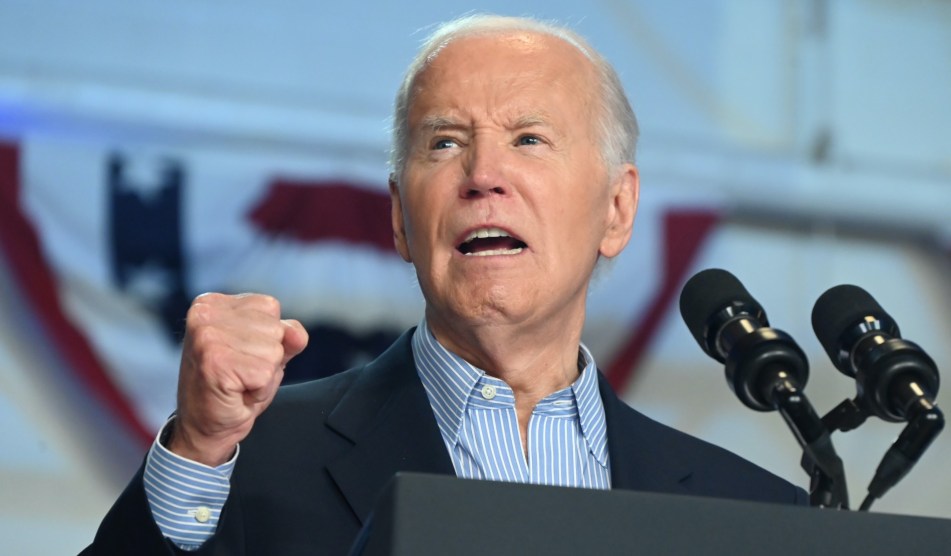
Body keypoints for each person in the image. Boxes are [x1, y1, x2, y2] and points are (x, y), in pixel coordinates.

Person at [83, 14, 807, 555]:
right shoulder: (249, 461)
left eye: (528, 138)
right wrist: (199, 451)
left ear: (616, 209)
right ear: (400, 218)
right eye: (445, 143)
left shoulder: (752, 515)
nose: (482, 175)